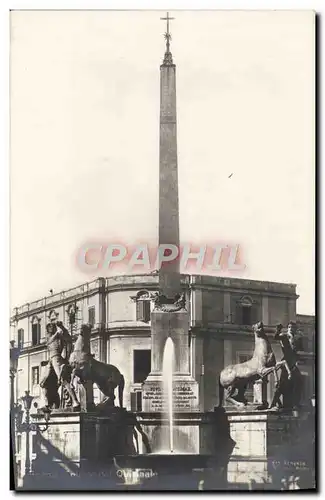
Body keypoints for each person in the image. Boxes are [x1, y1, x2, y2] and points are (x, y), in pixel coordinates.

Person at [40, 321, 80, 411]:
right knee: (44, 382)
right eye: (50, 327)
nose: (51, 328)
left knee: (63, 379)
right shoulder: (50, 337)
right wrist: (59, 332)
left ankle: (75, 401)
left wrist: (62, 327)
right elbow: (49, 341)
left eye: (53, 327)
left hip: (57, 359)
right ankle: (47, 403)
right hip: (51, 360)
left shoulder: (59, 336)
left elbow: (68, 337)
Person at [270, 322, 303, 410]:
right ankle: (273, 403)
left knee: (298, 381)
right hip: (286, 362)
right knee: (282, 384)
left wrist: (297, 360)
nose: (290, 329)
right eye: (289, 327)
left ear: (295, 329)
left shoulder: (297, 339)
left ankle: (295, 403)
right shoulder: (284, 336)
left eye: (292, 327)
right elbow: (276, 337)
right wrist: (278, 330)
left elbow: (298, 351)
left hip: (293, 362)